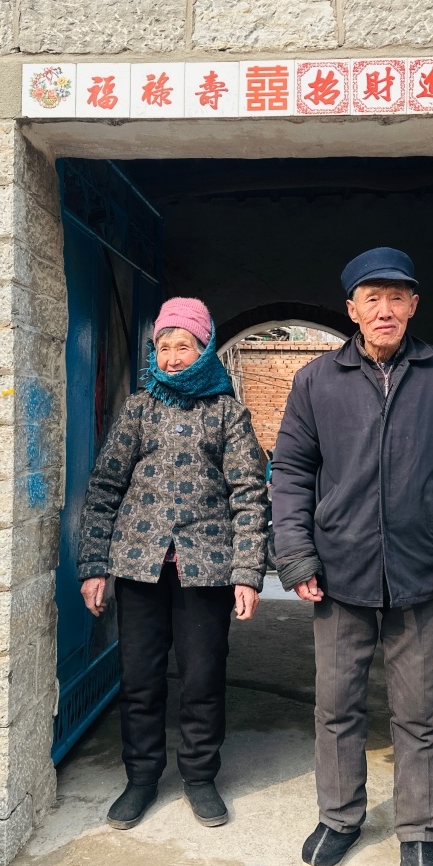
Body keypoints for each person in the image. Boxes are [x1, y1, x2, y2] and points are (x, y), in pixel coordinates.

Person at [272, 248, 433, 866]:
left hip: (419, 573)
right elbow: (291, 472)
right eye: (373, 298)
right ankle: (339, 816)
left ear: (414, 305)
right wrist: (296, 555)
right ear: (352, 309)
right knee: (336, 707)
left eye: (397, 298)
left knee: (419, 710)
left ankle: (419, 829)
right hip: (338, 572)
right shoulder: (316, 381)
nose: (385, 310)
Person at [77, 297, 269, 831]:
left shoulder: (228, 413)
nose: (173, 357)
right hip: (139, 567)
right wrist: (94, 566)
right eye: (164, 347)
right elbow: (105, 487)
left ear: (204, 349)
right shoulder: (139, 409)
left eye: (184, 346)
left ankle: (200, 777)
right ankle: (141, 778)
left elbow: (249, 495)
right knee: (140, 679)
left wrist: (247, 574)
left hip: (205, 569)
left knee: (203, 678)